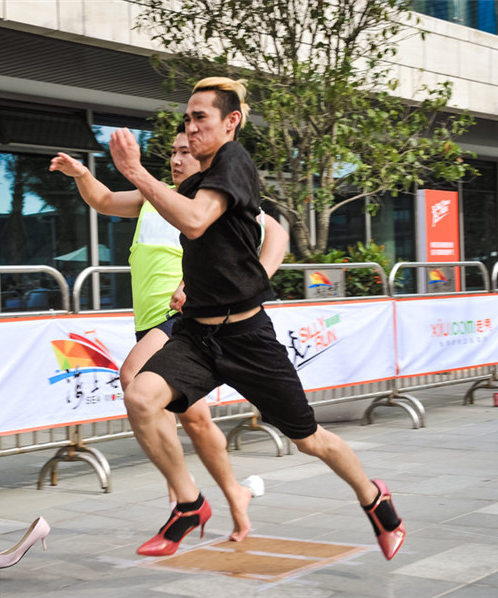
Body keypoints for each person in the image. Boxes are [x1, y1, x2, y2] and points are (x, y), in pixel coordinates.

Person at [106, 77, 406, 559]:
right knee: (141, 394)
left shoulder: (234, 162)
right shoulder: (195, 179)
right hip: (197, 336)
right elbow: (197, 227)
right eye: (187, 118)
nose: (191, 127)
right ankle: (188, 504)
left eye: (200, 117)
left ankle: (375, 499)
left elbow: (198, 220)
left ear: (231, 122)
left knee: (311, 441)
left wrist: (137, 172)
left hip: (247, 336)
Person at [49, 123, 287, 543]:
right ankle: (236, 498)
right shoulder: (151, 197)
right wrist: (82, 175)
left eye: (186, 152)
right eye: (172, 153)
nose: (177, 159)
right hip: (150, 322)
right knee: (195, 421)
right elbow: (103, 200)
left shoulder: (215, 200)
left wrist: (241, 285)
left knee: (133, 379)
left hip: (186, 316)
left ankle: (187, 500)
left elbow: (278, 237)